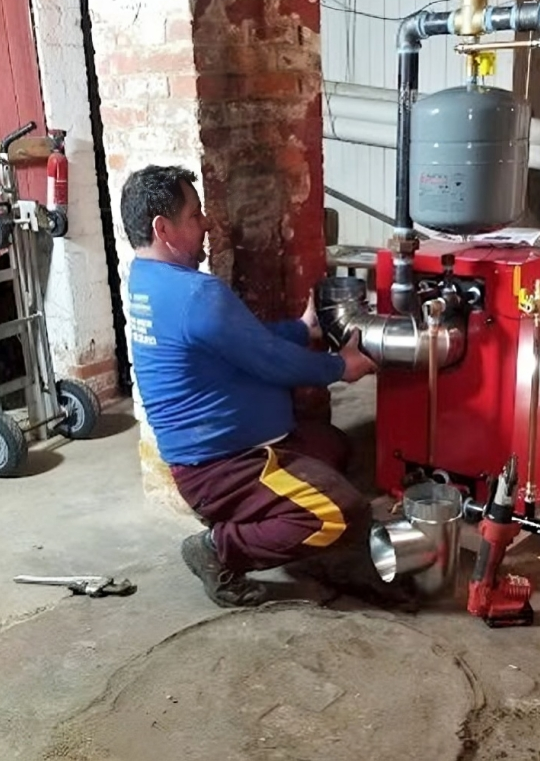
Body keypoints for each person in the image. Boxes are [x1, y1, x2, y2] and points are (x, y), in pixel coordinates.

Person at [120, 165, 417, 610]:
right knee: (341, 512)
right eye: (195, 215)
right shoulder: (196, 294)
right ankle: (219, 548)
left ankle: (278, 528)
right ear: (164, 229)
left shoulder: (148, 281)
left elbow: (244, 342)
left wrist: (302, 329)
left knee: (335, 448)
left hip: (222, 454)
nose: (205, 224)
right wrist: (341, 366)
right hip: (225, 466)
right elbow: (271, 362)